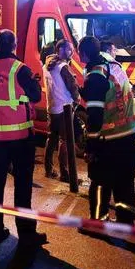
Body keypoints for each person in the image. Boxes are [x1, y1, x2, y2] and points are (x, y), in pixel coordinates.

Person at [0, 29, 46, 255]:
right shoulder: (20, 69)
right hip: (20, 136)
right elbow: (36, 96)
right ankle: (26, 234)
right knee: (23, 185)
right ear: (15, 45)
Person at [78, 35, 135, 224]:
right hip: (129, 134)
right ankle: (126, 221)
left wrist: (91, 147)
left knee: (99, 182)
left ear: (82, 54)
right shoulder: (113, 65)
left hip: (109, 139)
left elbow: (95, 117)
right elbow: (112, 92)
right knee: (125, 184)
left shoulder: (95, 76)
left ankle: (98, 221)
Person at [43, 39, 79, 180]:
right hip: (65, 107)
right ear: (61, 50)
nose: (72, 52)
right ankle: (65, 173)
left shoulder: (46, 65)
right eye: (69, 49)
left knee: (51, 138)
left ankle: (48, 169)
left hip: (51, 107)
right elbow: (72, 85)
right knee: (65, 140)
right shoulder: (63, 66)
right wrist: (77, 99)